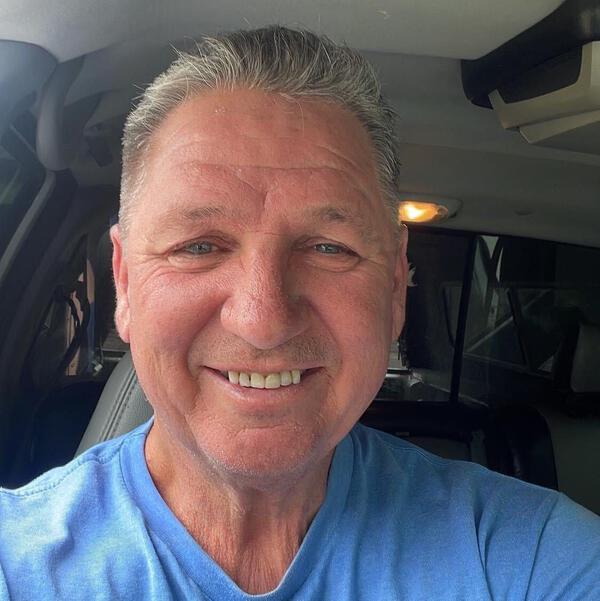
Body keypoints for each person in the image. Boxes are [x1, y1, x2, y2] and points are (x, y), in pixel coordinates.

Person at [1, 26, 599, 600]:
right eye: (199, 247)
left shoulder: (530, 556)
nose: (262, 321)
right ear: (126, 283)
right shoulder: (16, 564)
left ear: (395, 288)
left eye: (328, 249)